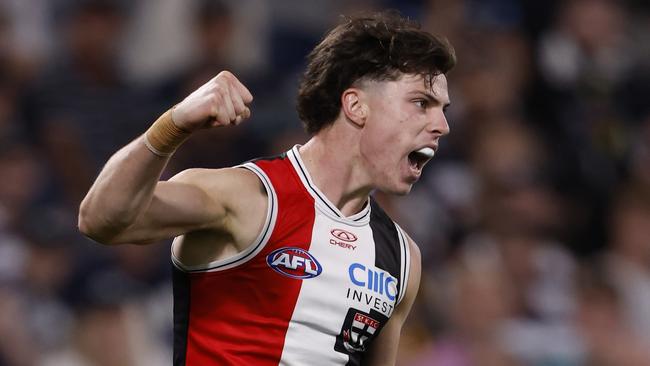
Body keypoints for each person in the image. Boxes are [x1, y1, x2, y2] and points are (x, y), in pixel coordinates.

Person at [78, 11, 455, 365]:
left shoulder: (402, 258)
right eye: (422, 103)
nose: (442, 125)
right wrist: (173, 125)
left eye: (443, 109)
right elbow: (99, 218)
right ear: (356, 106)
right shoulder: (246, 197)